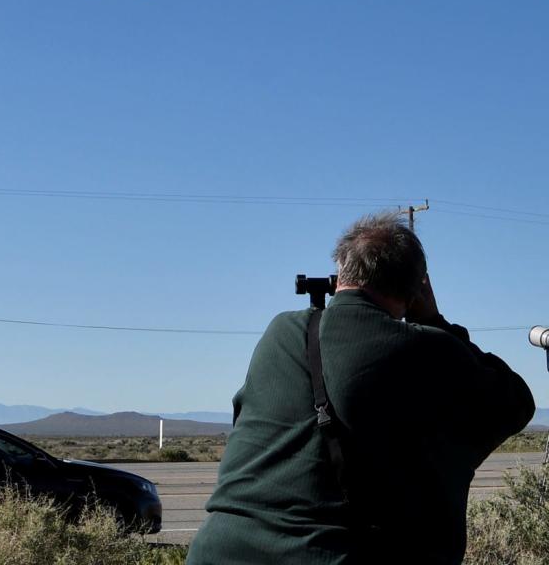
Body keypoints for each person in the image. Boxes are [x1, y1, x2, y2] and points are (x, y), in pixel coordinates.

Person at [186, 212, 534, 565]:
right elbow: (515, 402)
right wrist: (433, 321)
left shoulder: (281, 332)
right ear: (414, 289)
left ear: (342, 271)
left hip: (219, 550)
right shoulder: (423, 348)